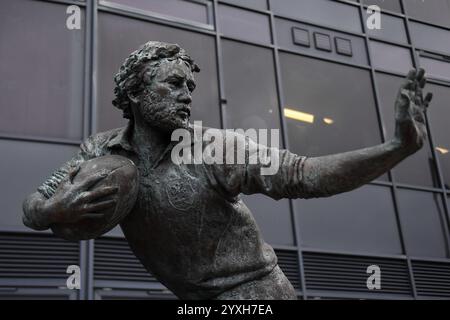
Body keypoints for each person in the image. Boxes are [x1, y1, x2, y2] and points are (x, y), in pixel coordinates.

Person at [22, 41, 433, 299]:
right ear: (134, 93)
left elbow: (305, 175)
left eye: (190, 87)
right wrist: (48, 210)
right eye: (174, 84)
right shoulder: (100, 150)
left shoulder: (215, 146)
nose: (187, 96)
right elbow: (36, 201)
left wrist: (395, 148)